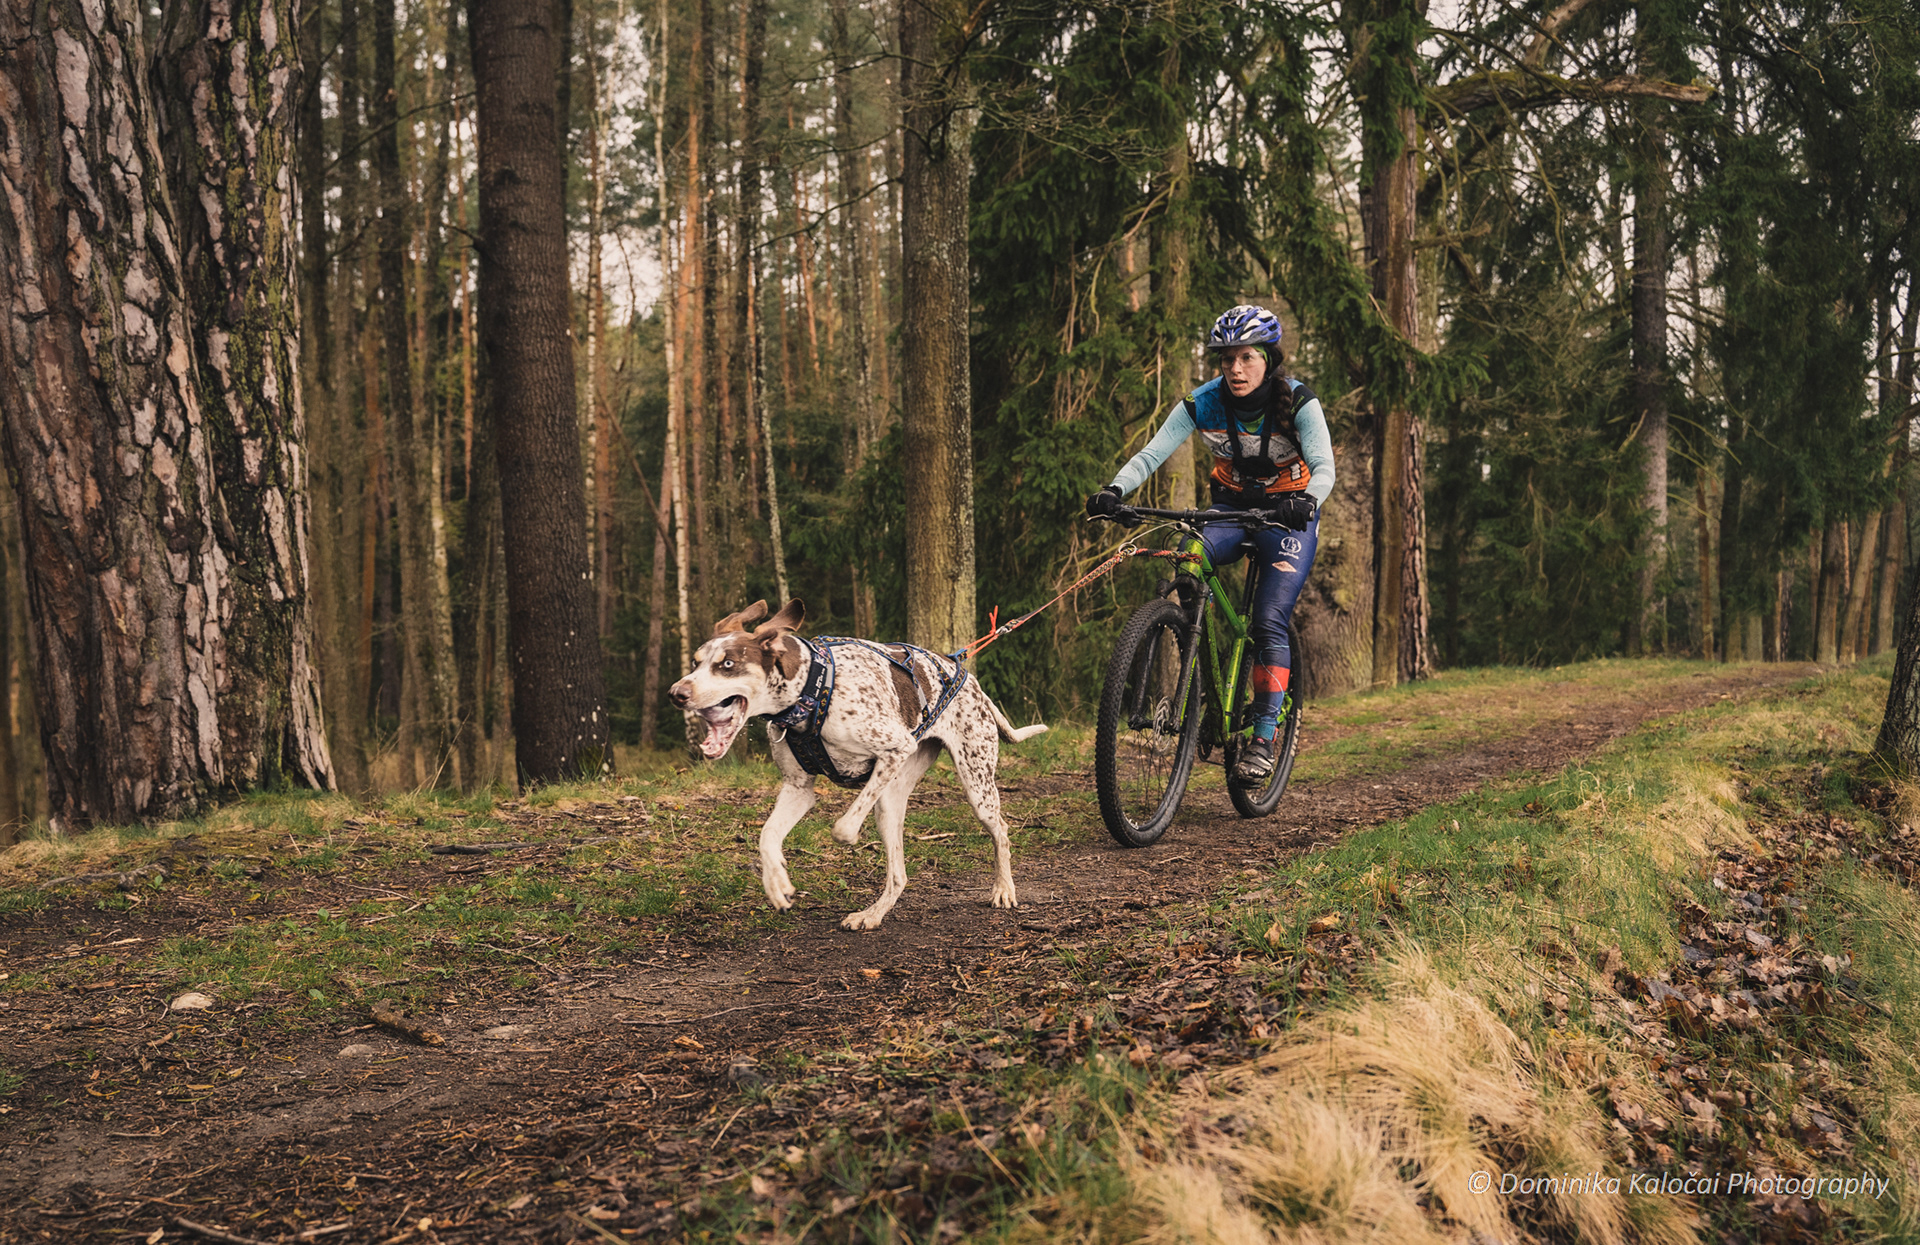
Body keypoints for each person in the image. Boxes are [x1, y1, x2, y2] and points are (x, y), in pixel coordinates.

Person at [1085, 304, 1335, 783]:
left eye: (1246, 358)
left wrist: (1306, 500)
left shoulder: (1300, 402)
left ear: (1268, 359)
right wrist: (1115, 491)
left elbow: (1325, 467)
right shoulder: (1204, 401)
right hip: (1230, 509)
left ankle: (1263, 734)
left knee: (1267, 619)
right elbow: (1153, 452)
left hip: (1289, 515)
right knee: (1189, 557)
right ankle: (1200, 669)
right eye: (1226, 360)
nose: (1235, 369)